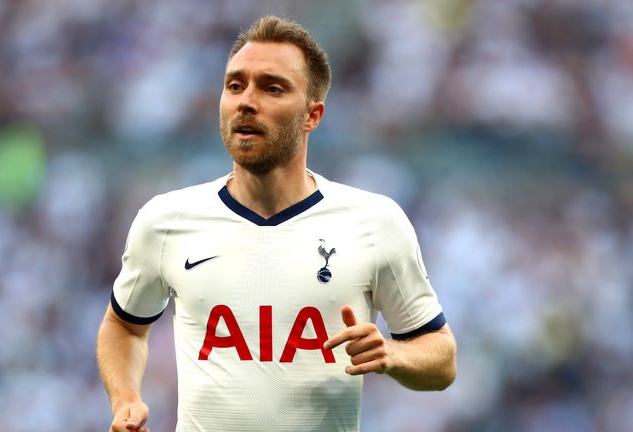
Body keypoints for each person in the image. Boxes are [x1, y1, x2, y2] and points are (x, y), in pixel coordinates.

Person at [96, 15, 457, 432]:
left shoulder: (374, 222)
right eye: (235, 85)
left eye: (272, 87)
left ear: (312, 115)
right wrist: (126, 398)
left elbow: (442, 358)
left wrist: (395, 355)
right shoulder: (166, 220)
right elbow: (123, 326)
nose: (246, 101)